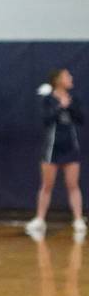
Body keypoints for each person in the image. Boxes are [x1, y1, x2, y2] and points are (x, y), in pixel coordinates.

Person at [26, 70, 86, 238]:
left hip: (70, 147)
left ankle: (78, 219)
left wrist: (70, 106)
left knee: (73, 185)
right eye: (68, 76)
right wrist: (60, 106)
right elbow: (46, 120)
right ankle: (40, 219)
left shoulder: (74, 99)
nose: (71, 78)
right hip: (52, 148)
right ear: (58, 80)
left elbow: (81, 119)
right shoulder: (48, 100)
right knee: (47, 185)